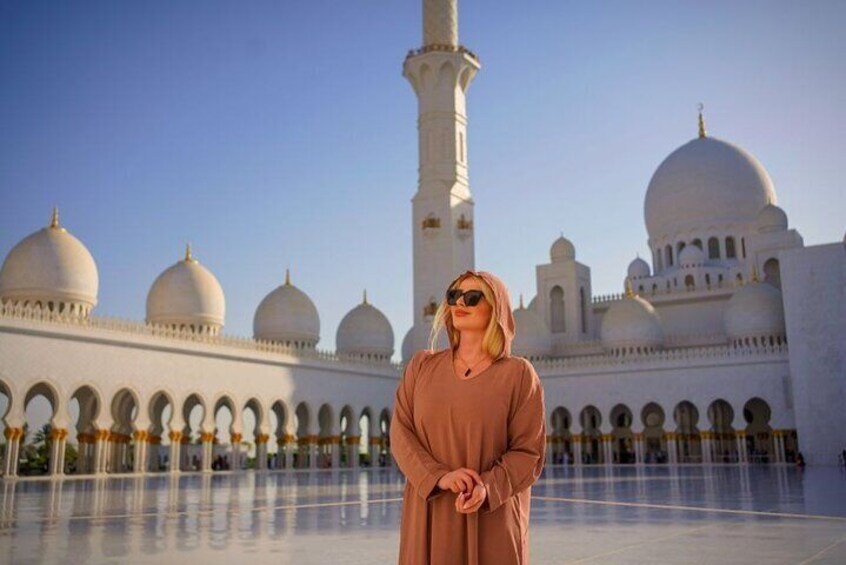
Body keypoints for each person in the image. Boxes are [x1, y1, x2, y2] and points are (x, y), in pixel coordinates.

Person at [391, 270, 547, 564]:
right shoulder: (422, 366)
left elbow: (529, 453)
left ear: (496, 308)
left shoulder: (518, 375)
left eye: (472, 297)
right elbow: (401, 433)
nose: (459, 302)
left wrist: (486, 487)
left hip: (490, 512)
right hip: (430, 507)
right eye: (453, 295)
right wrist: (439, 477)